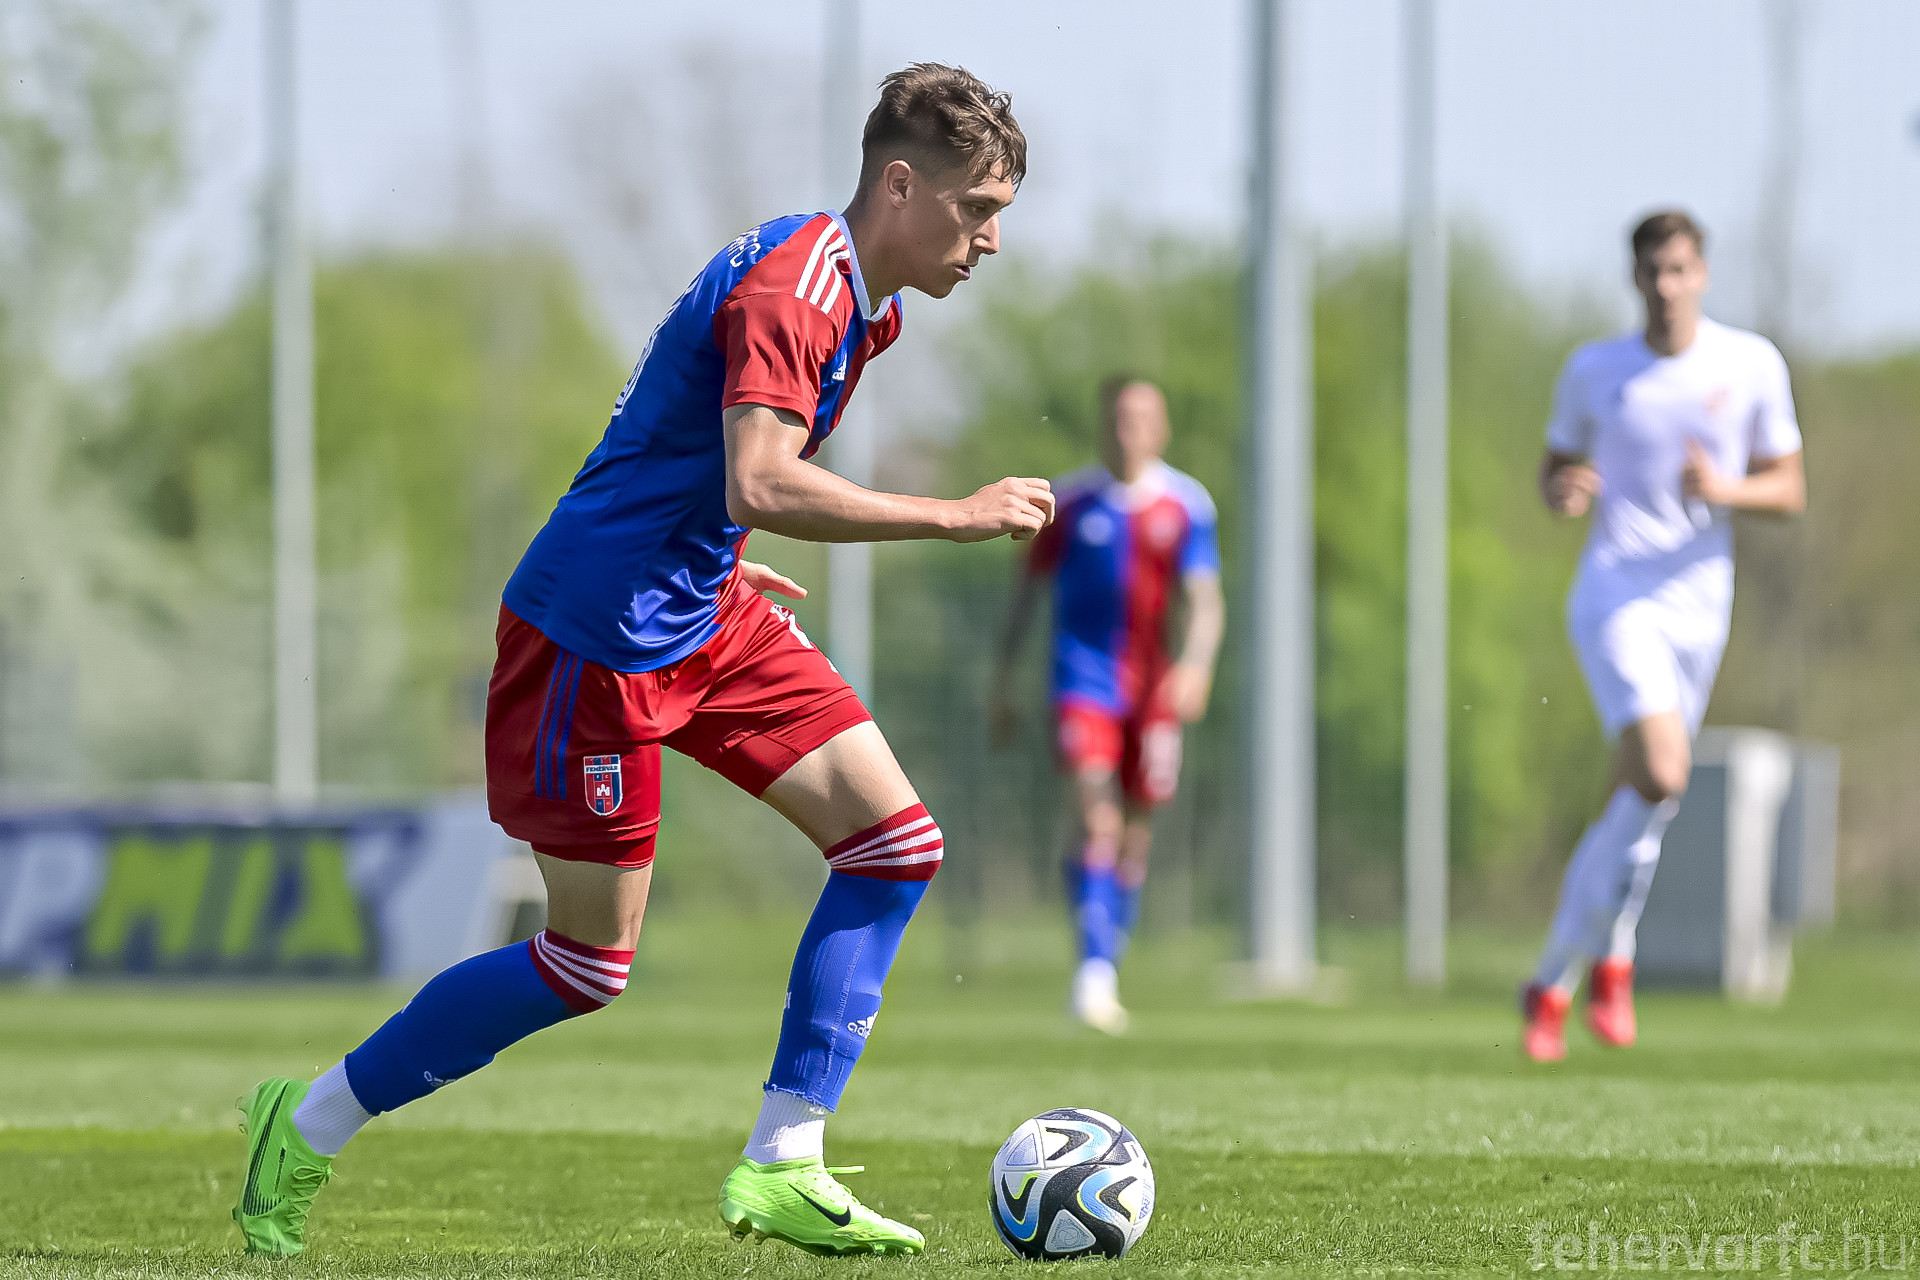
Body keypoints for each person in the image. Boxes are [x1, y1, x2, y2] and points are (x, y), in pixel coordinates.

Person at [231, 64, 1049, 1259]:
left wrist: (717, 561)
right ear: (899, 183)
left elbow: (685, 455)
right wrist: (954, 513)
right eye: (976, 210)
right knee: (585, 962)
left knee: (895, 845)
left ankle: (785, 1157)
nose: (989, 242)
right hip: (597, 636)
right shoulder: (799, 286)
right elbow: (759, 478)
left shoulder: (861, 300)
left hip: (700, 607)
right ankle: (306, 1119)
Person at [1520, 210, 1806, 1062]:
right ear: (1635, 278)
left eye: (1680, 270)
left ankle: (1556, 978)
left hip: (1701, 605)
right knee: (1664, 769)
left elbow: (1788, 488)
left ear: (1702, 273)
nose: (1667, 286)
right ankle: (1616, 956)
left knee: (1643, 797)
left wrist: (1725, 488)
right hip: (1615, 595)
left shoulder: (1749, 364)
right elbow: (1555, 469)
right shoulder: (1596, 369)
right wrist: (1564, 491)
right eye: (1653, 272)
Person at [990, 377, 1224, 1034]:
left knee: (1135, 833)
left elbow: (1205, 600)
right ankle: (1092, 974)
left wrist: (1195, 665)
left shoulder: (1186, 504)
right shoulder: (1070, 502)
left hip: (1154, 694)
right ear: (1105, 426)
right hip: (1083, 682)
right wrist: (1004, 681)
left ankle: (1107, 960)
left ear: (1162, 428)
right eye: (1121, 419)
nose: (1130, 431)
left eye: (1143, 419)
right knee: (1096, 819)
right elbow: (1025, 596)